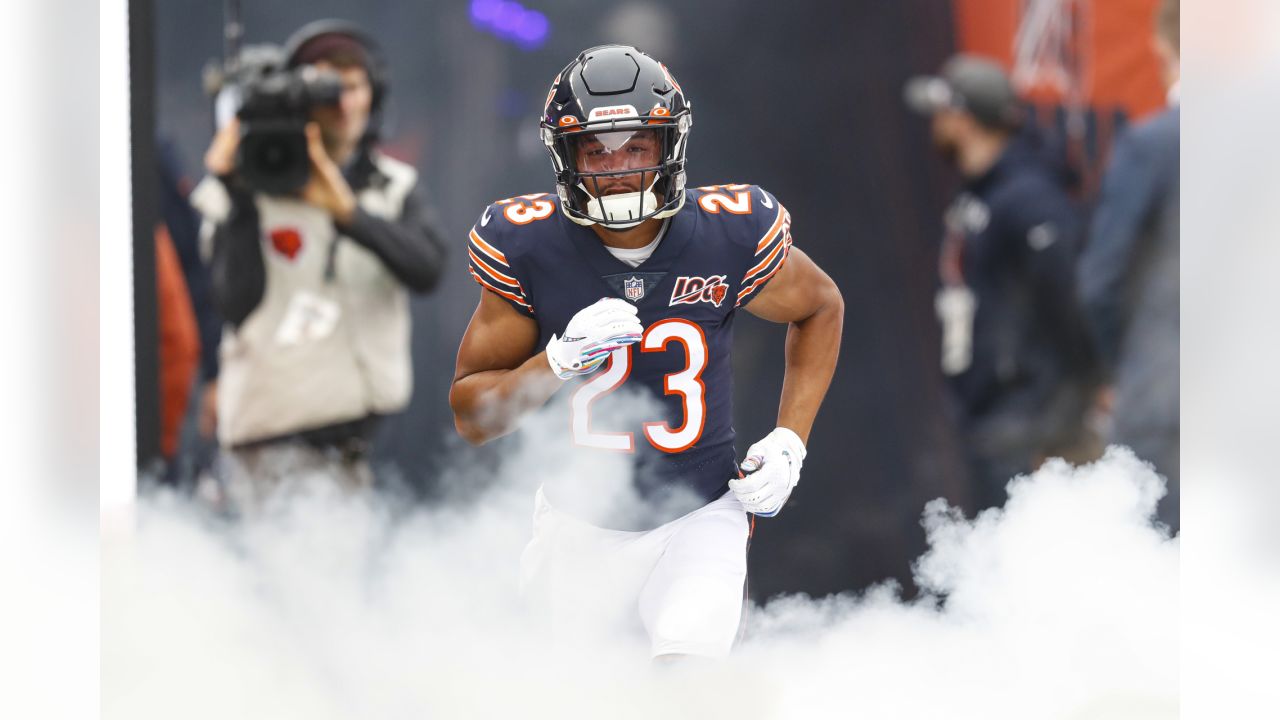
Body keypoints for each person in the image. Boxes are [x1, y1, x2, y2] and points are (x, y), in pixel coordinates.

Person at [449, 45, 843, 660]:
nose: (616, 168)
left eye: (636, 146)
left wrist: (791, 437)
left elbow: (821, 307)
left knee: (685, 684)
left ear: (669, 146)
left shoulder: (728, 233)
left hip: (699, 515)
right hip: (578, 525)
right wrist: (553, 363)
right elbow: (472, 417)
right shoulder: (527, 245)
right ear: (565, 155)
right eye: (595, 150)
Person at [189, 20, 447, 509]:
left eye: (351, 86)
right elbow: (235, 304)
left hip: (357, 445)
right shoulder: (249, 185)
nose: (341, 103)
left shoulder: (393, 185)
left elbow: (428, 268)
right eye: (325, 87)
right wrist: (239, 197)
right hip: (275, 449)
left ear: (374, 96)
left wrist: (346, 212)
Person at [905, 55, 1099, 510]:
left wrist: (1062, 412)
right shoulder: (982, 191)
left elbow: (1068, 299)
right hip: (993, 413)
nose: (935, 124)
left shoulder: (1027, 196)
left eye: (942, 113)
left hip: (1027, 417)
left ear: (964, 118)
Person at [1079, 0, 1180, 530]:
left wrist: (1127, 367)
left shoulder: (1153, 145)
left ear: (1165, 49)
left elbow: (1102, 281)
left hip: (1168, 403)